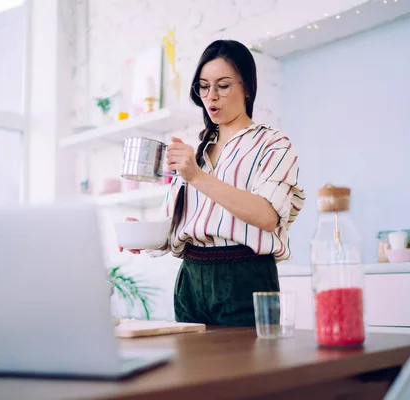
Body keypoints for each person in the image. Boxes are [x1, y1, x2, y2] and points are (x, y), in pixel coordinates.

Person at [119, 39, 305, 326]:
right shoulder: (197, 150)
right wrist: (142, 235)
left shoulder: (272, 143)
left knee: (249, 368)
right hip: (191, 279)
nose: (211, 96)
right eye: (204, 86)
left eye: (223, 85)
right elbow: (177, 225)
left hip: (245, 277)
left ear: (248, 88)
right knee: (194, 370)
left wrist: (197, 176)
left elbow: (267, 216)